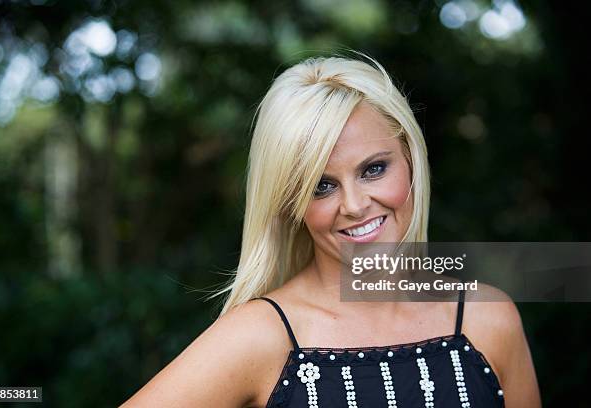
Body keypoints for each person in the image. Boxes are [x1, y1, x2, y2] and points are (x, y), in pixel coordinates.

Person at [121, 54, 541, 407]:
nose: (355, 205)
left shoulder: (488, 318)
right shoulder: (260, 336)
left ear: (411, 159)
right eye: (322, 186)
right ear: (290, 204)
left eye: (374, 169)